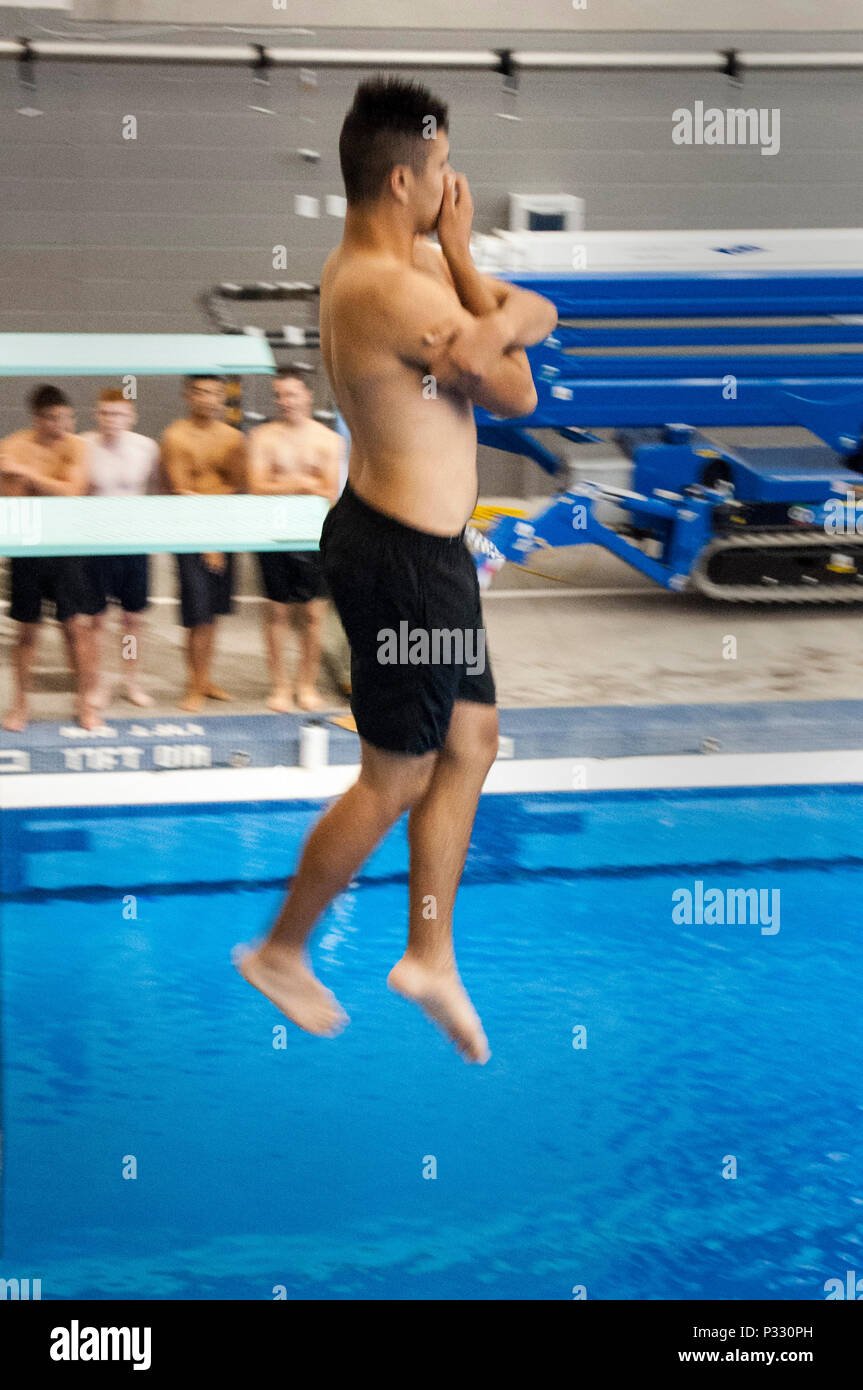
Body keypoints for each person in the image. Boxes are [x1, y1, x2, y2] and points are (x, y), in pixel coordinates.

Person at [235, 76, 557, 1063]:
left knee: (471, 741)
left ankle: (428, 953)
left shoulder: (411, 262)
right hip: (402, 559)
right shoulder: (384, 288)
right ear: (405, 176)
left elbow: (530, 319)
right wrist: (480, 305)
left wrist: (465, 266)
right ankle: (283, 948)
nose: (453, 186)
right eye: (446, 172)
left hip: (430, 554)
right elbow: (511, 387)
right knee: (395, 774)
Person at [0, 384, 101, 732]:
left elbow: (73, 493)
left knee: (76, 629)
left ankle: (85, 703)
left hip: (67, 548)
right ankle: (20, 704)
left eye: (67, 417)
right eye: (54, 418)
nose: (63, 424)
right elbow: (11, 498)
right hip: (28, 548)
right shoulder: (12, 445)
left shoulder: (78, 447)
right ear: (38, 419)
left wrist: (28, 475)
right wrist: (46, 485)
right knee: (27, 631)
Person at [247, 370, 342, 712]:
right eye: (280, 396)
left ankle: (306, 685)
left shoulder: (329, 440)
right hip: (274, 534)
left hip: (314, 535)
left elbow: (329, 492)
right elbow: (257, 488)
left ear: (307, 397)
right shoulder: (262, 437)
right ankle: (280, 686)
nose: (286, 402)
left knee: (313, 617)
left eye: (292, 394)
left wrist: (285, 483)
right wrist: (305, 483)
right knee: (276, 613)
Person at [159, 376, 248, 712]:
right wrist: (207, 541)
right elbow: (182, 492)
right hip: (190, 533)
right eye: (201, 392)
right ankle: (193, 686)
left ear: (222, 398)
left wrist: (218, 534)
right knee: (197, 615)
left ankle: (206, 678)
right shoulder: (175, 436)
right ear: (187, 395)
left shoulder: (233, 438)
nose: (209, 399)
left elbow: (238, 485)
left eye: (215, 393)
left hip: (224, 530)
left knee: (213, 613)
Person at [81, 389, 160, 709]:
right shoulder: (84, 446)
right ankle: (98, 683)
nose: (111, 420)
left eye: (118, 414)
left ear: (131, 417)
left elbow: (158, 493)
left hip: (133, 545)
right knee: (97, 620)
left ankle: (131, 680)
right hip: (96, 545)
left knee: (132, 620)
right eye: (106, 414)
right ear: (97, 415)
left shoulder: (146, 448)